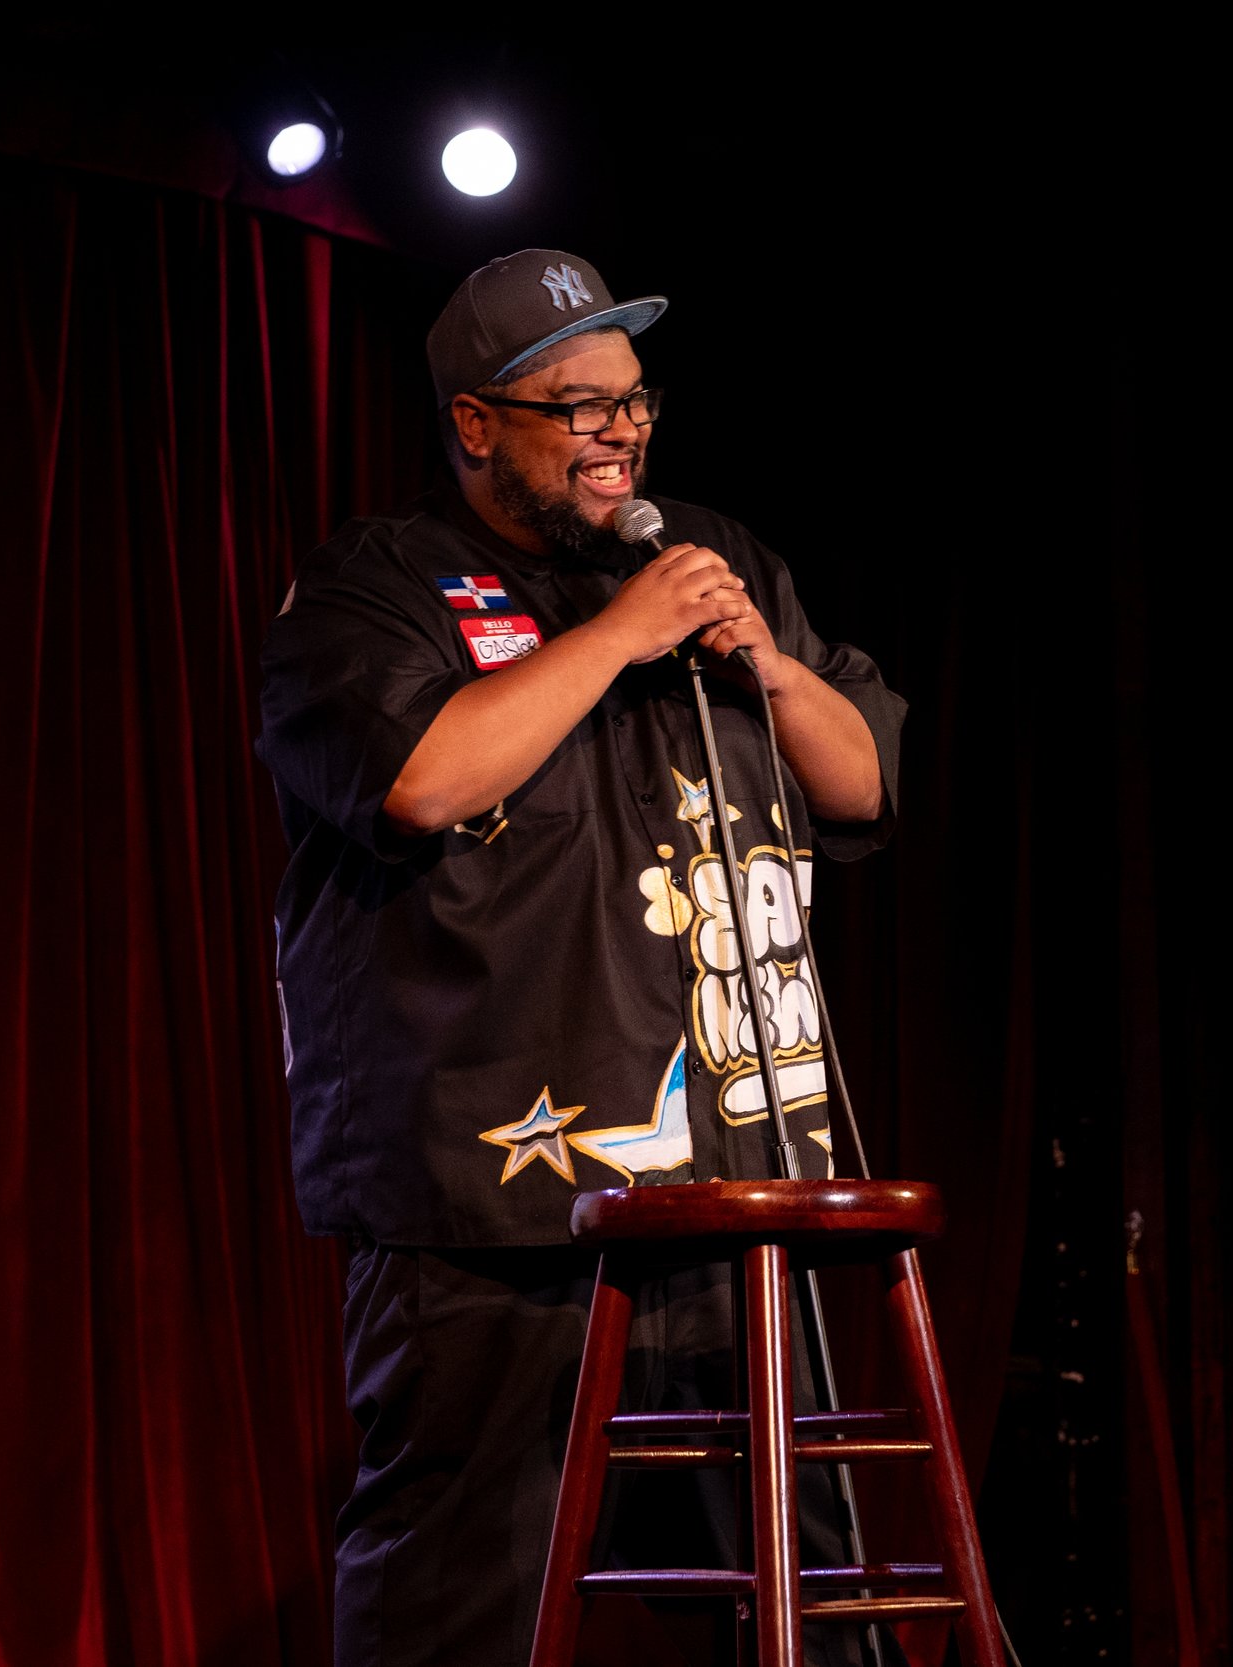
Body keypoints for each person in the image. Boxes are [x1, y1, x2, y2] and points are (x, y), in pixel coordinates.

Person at [258, 249, 903, 1666]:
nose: (618, 434)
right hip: (497, 1201)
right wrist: (623, 635)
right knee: (467, 1586)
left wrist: (765, 665)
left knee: (805, 1585)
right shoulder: (380, 584)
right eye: (575, 406)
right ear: (477, 423)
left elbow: (858, 787)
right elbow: (422, 782)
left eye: (632, 403)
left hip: (726, 1180)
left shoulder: (712, 562)